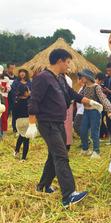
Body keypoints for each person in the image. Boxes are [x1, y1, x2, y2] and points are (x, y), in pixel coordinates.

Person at [26, 48, 104, 207]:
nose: (69, 65)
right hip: (47, 123)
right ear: (60, 61)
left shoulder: (59, 78)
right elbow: (34, 100)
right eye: (67, 62)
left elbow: (72, 94)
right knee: (61, 156)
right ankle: (68, 195)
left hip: (58, 122)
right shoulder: (43, 78)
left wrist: (90, 102)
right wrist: (32, 123)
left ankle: (43, 186)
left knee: (54, 154)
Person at [79, 69, 111, 159]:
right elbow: (79, 96)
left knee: (94, 132)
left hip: (94, 112)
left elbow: (103, 99)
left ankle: (96, 151)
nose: (81, 79)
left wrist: (109, 110)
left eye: (82, 77)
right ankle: (85, 149)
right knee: (83, 130)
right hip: (86, 111)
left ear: (87, 77)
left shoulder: (96, 87)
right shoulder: (84, 87)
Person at [13, 84, 31, 161]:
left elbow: (14, 114)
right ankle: (23, 157)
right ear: (25, 92)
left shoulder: (16, 101)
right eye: (28, 90)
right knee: (26, 139)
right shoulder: (28, 102)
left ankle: (16, 151)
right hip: (26, 121)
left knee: (21, 136)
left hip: (18, 122)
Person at [4, 63, 18, 133]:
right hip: (6, 98)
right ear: (7, 69)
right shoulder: (4, 77)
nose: (12, 70)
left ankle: (14, 129)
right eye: (11, 68)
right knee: (5, 114)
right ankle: (3, 129)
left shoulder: (16, 78)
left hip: (14, 98)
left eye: (14, 68)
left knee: (15, 114)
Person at [96, 72, 109, 139]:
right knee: (100, 121)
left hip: (100, 106)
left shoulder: (98, 85)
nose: (102, 82)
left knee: (100, 121)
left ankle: (103, 134)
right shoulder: (96, 85)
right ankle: (103, 134)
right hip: (97, 105)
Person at [0, 66, 11, 134]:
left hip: (4, 98)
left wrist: (3, 88)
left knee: (4, 114)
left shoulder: (6, 79)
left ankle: (4, 131)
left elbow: (9, 88)